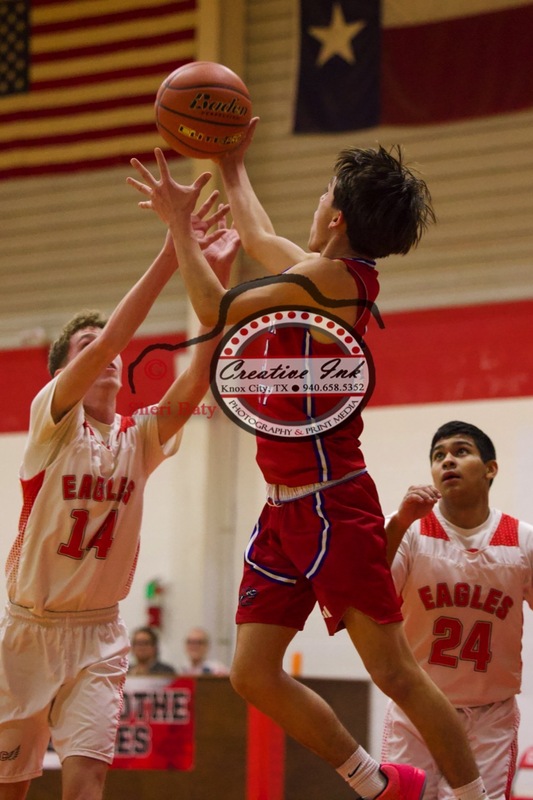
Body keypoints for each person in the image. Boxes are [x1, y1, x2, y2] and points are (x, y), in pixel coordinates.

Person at [127, 124, 491, 800]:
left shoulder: (331, 280)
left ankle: (474, 797)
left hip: (331, 501)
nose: (317, 198)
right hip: (284, 505)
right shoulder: (322, 273)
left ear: (337, 216)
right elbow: (264, 242)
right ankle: (379, 783)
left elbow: (211, 308)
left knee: (395, 673)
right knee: (251, 672)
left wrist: (181, 227)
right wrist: (231, 167)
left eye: (325, 190)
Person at [0, 192, 239, 800]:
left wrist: (220, 282)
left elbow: (202, 372)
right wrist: (171, 250)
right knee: (13, 784)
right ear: (63, 372)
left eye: (109, 347)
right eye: (88, 347)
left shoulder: (142, 437)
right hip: (29, 629)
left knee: (89, 777)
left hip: (100, 634)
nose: (106, 352)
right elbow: (108, 344)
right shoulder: (51, 422)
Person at [382, 420, 533, 800]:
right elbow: (371, 591)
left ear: (490, 468)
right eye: (438, 456)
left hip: (489, 716)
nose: (447, 460)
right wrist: (399, 522)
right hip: (417, 710)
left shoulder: (522, 539)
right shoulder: (409, 531)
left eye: (461, 451)